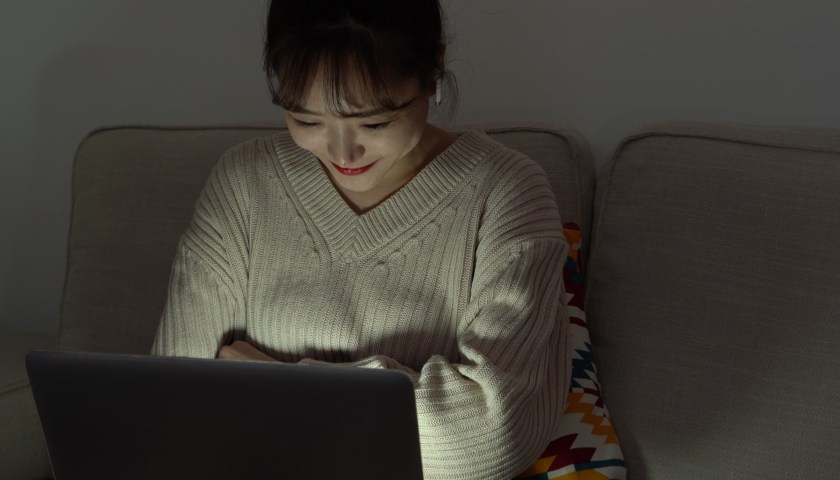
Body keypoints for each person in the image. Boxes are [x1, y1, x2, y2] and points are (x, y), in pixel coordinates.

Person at [151, 0, 573, 478]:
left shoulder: (506, 192)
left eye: (374, 123)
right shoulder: (244, 184)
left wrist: (277, 384)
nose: (342, 153)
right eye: (307, 121)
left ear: (434, 68)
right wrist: (368, 412)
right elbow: (172, 406)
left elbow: (494, 434)